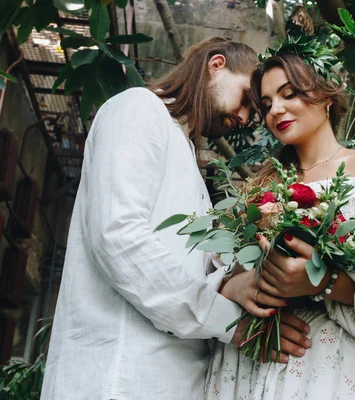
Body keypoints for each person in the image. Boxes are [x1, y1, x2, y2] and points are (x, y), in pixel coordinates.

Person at [41, 38, 311, 400]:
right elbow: (118, 236)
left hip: (169, 379)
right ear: (216, 65)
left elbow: (182, 265)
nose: (245, 118)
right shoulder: (138, 109)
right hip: (119, 375)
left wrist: (236, 283)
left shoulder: (187, 158)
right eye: (247, 99)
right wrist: (227, 321)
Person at [205, 54, 355, 399]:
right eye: (266, 104)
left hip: (323, 362)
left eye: (289, 94)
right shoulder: (262, 186)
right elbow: (217, 275)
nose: (275, 111)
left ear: (326, 96)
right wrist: (237, 285)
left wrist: (322, 282)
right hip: (250, 359)